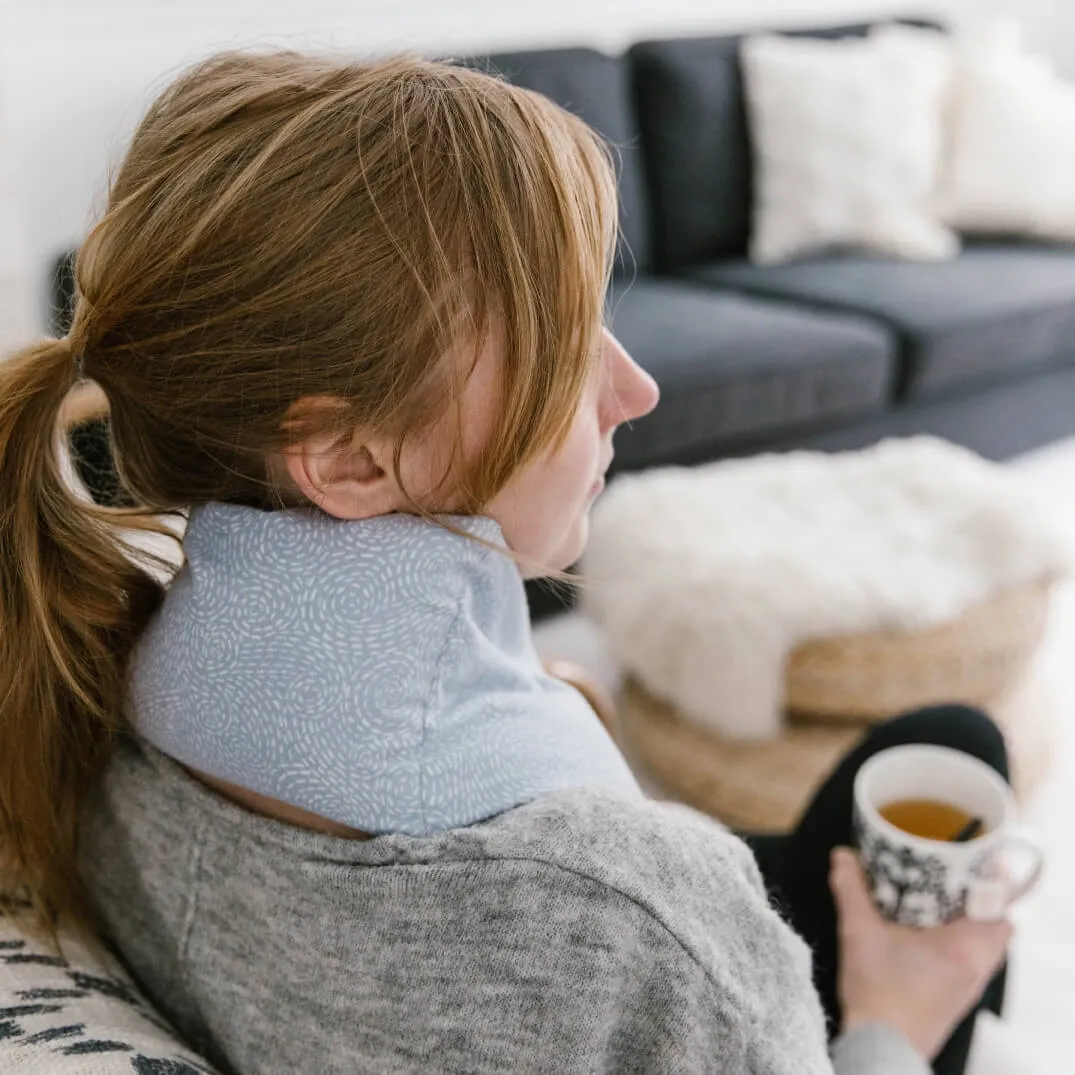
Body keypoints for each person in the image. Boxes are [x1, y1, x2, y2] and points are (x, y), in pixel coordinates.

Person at [0, 51, 1012, 1075]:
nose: (637, 388)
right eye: (568, 344)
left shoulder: (101, 681)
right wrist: (895, 1018)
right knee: (954, 759)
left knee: (937, 741)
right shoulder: (654, 927)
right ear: (349, 458)